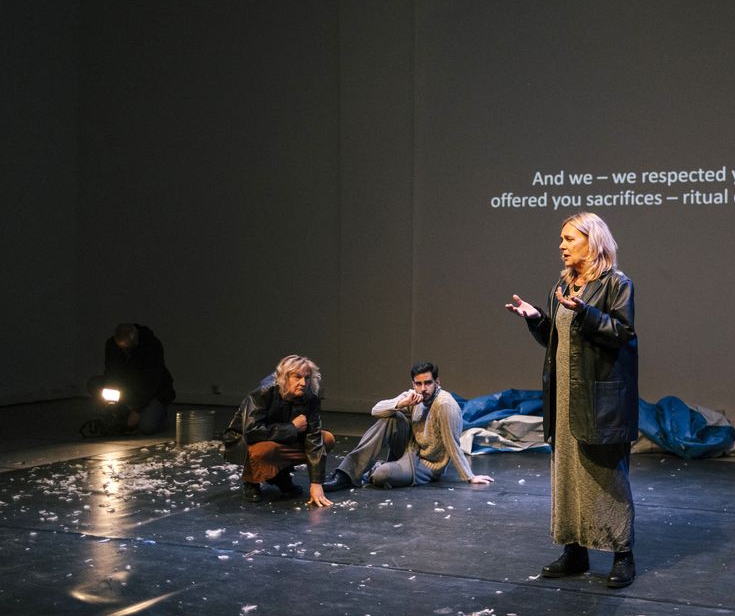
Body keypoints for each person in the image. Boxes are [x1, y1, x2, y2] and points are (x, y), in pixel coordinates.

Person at [505, 211, 639, 588]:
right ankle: (575, 550)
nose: (561, 246)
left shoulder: (617, 284)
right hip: (564, 396)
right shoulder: (561, 286)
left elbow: (623, 334)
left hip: (599, 398)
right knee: (566, 475)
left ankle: (622, 554)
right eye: (562, 240)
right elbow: (558, 338)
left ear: (592, 241)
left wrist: (589, 313)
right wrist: (536, 318)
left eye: (569, 239)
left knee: (605, 475)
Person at [322, 362, 494, 492]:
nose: (423, 389)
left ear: (437, 382)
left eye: (428, 383)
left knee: (382, 475)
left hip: (427, 464)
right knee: (389, 418)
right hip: (409, 449)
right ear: (413, 384)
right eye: (418, 384)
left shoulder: (445, 404)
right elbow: (375, 410)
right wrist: (401, 403)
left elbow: (452, 443)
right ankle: (346, 474)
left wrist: (470, 477)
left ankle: (377, 469)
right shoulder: (413, 396)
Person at [223, 354, 336, 507]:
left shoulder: (310, 398)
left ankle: (280, 476)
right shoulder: (264, 392)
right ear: (285, 377)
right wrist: (292, 428)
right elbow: (251, 431)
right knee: (264, 450)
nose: (303, 383)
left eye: (307, 378)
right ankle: (251, 481)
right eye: (297, 377)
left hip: (281, 438)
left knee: (326, 438)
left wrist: (316, 483)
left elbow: (314, 438)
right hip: (247, 440)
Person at [86, 323, 176, 435]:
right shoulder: (112, 345)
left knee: (147, 427)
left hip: (153, 393)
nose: (125, 351)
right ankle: (123, 411)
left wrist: (137, 410)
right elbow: (111, 371)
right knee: (95, 383)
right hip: (127, 388)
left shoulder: (151, 346)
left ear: (136, 339)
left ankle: (159, 415)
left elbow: (151, 382)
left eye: (128, 348)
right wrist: (110, 400)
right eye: (122, 348)